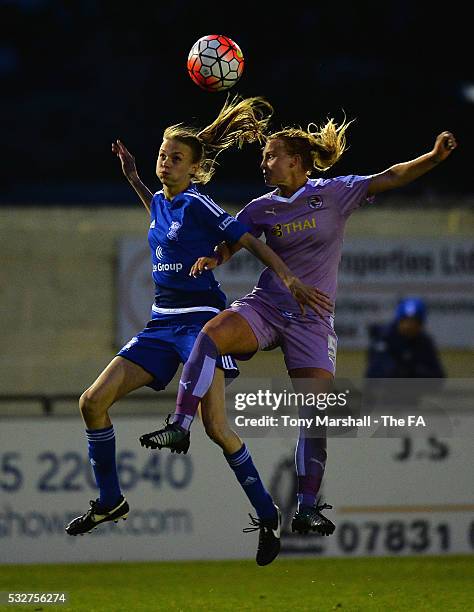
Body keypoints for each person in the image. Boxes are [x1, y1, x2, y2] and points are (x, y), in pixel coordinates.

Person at [139, 120, 457, 536]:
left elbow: (391, 176)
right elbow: (232, 241)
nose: (264, 162)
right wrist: (216, 259)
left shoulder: (335, 193)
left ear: (297, 162)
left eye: (271, 156)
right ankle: (180, 426)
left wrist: (433, 158)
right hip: (267, 306)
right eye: (264, 156)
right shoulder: (260, 207)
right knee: (211, 334)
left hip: (312, 321)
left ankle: (307, 507)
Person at [65, 96, 333, 567]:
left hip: (200, 325)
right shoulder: (162, 205)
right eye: (162, 156)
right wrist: (132, 176)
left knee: (216, 428)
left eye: (176, 159)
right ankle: (111, 500)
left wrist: (288, 278)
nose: (165, 163)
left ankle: (267, 513)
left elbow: (246, 239)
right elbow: (157, 210)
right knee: (91, 402)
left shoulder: (197, 203)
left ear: (195, 170)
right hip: (159, 326)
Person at [366, 297, 445, 378]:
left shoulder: (424, 342)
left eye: (414, 322)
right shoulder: (384, 338)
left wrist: (415, 371)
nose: (409, 326)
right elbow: (374, 374)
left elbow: (438, 377)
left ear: (421, 324)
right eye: (405, 321)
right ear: (398, 321)